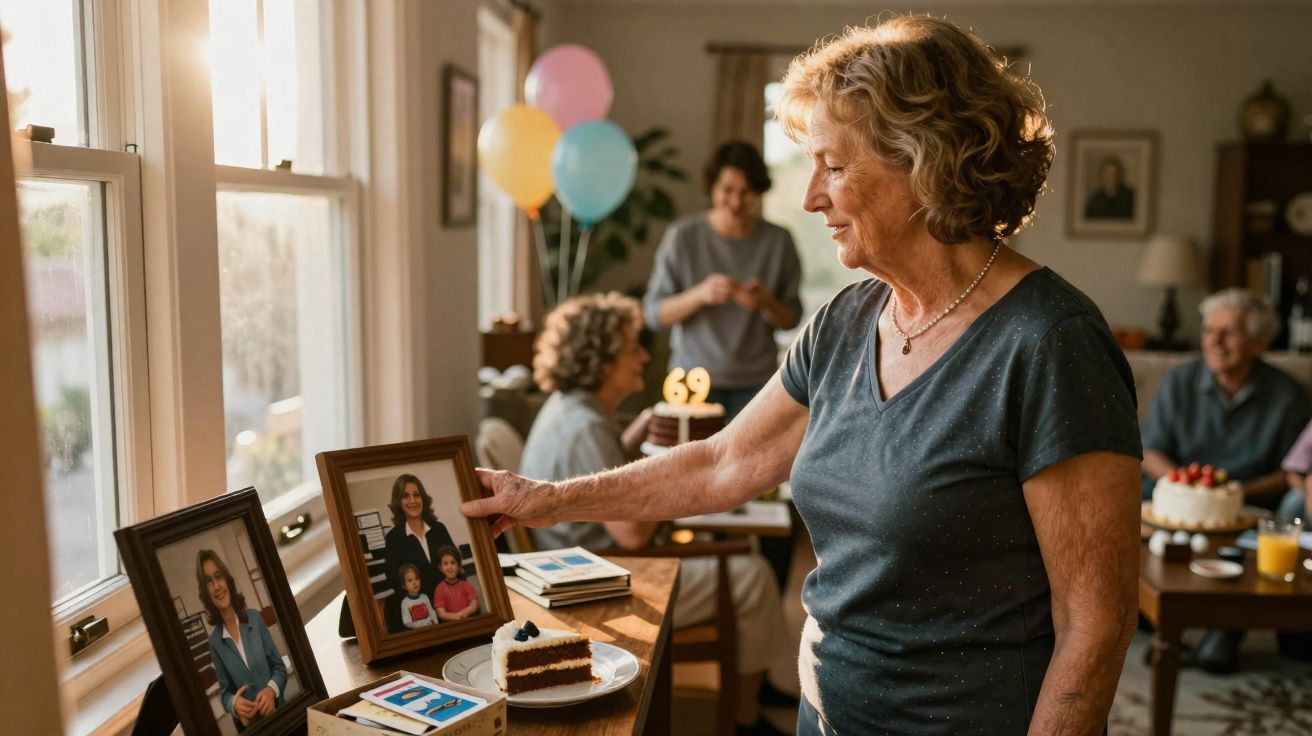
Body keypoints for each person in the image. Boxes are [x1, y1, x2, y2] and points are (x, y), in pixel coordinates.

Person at [466, 17, 1144, 735]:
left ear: (925, 164)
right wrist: (543, 499)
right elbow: (723, 462)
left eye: (835, 166)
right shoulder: (845, 322)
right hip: (826, 715)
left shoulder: (1050, 344)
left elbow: (1093, 627)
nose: (811, 197)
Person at [520, 292, 792, 736]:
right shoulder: (584, 427)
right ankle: (746, 714)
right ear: (604, 358)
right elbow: (632, 534)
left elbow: (603, 473)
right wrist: (676, 477)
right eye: (633, 347)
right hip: (603, 579)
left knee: (743, 564)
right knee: (752, 572)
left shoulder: (572, 410)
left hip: (584, 560)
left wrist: (646, 429)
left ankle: (751, 690)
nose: (644, 356)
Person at [643, 140, 803, 420]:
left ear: (759, 191)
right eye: (727, 190)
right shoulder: (683, 237)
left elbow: (791, 318)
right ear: (712, 188)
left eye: (747, 192)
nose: (737, 202)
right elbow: (654, 315)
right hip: (691, 383)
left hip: (758, 385)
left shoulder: (779, 241)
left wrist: (766, 303)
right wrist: (700, 294)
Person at [1141, 289, 1310, 508]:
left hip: (1249, 504)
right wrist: (1188, 488)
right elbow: (1151, 451)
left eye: (1229, 333)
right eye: (1209, 330)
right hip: (1180, 499)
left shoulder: (1288, 394)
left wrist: (1230, 495)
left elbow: (1290, 472)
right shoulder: (1177, 381)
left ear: (1259, 343)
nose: (1215, 341)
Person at [198, 549, 288, 732]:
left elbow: (279, 668)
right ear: (206, 592)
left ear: (228, 581)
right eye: (209, 582)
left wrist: (271, 691)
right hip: (253, 729)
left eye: (218, 576)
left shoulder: (255, 618)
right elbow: (225, 694)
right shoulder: (215, 642)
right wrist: (234, 704)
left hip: (281, 717)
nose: (216, 586)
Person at [382, 474, 456, 633]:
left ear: (423, 498)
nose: (413, 501)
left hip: (449, 606)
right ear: (398, 502)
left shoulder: (439, 529)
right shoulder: (393, 538)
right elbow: (395, 582)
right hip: (419, 615)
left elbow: (455, 566)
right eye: (405, 496)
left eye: (416, 495)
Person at [432, 544, 480, 621]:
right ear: (440, 568)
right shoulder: (439, 589)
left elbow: (474, 605)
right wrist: (456, 616)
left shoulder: (466, 585)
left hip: (469, 622)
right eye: (445, 563)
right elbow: (441, 613)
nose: (450, 567)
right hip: (452, 628)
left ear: (459, 566)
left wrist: (463, 614)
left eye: (453, 562)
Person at [397, 563, 439, 629]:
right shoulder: (405, 603)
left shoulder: (424, 597)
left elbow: (431, 612)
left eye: (416, 579)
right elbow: (408, 623)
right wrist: (425, 623)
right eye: (410, 580)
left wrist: (436, 624)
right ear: (403, 585)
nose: (414, 583)